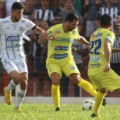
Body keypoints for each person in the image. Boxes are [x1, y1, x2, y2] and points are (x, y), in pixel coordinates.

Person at [39, 13, 107, 111]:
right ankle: (57, 106)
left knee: (77, 79)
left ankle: (100, 97)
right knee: (55, 80)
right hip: (53, 60)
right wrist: (47, 37)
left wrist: (88, 45)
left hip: (67, 59)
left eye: (76, 25)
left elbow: (79, 38)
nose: (75, 26)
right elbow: (40, 40)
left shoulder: (73, 30)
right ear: (67, 22)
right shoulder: (54, 29)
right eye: (74, 24)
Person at [0, 2, 45, 111]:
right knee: (17, 78)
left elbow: (38, 29)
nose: (20, 15)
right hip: (6, 55)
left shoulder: (25, 22)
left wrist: (43, 34)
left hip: (20, 56)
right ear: (12, 12)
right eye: (18, 12)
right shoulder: (2, 22)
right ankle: (8, 90)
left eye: (22, 12)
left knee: (24, 82)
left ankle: (17, 107)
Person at [88, 14, 120, 118]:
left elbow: (101, 49)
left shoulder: (94, 34)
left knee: (102, 90)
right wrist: (108, 62)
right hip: (102, 69)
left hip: (92, 70)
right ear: (111, 24)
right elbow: (106, 45)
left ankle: (95, 113)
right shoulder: (109, 33)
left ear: (100, 23)